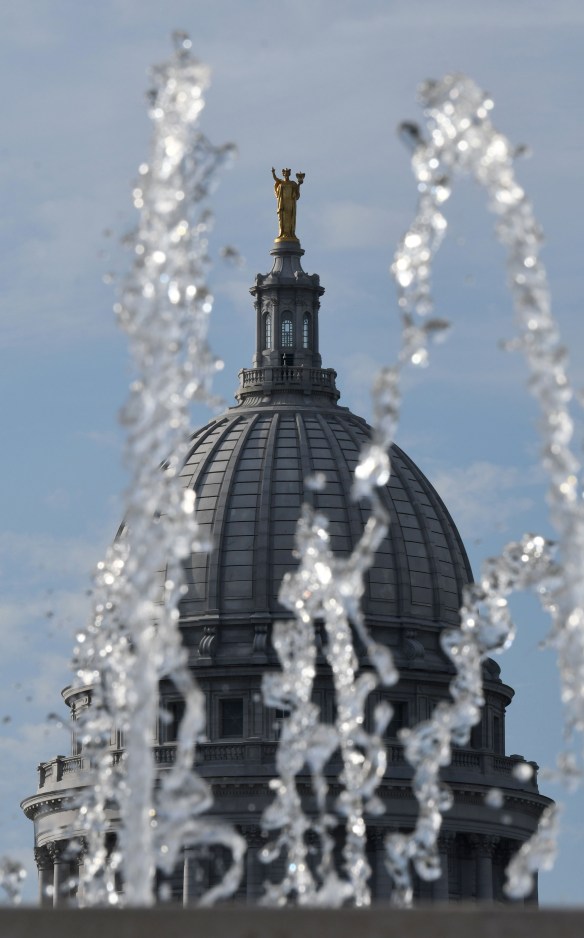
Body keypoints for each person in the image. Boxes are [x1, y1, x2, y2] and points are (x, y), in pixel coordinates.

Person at [271, 167, 305, 241]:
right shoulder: (281, 183)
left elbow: (296, 191)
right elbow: (275, 179)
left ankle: (290, 233)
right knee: (282, 219)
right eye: (285, 173)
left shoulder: (293, 183)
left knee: (290, 219)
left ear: (289, 174)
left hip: (290, 204)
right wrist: (273, 173)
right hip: (282, 204)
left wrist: (299, 183)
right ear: (283, 174)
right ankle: (282, 233)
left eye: (287, 173)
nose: (286, 175)